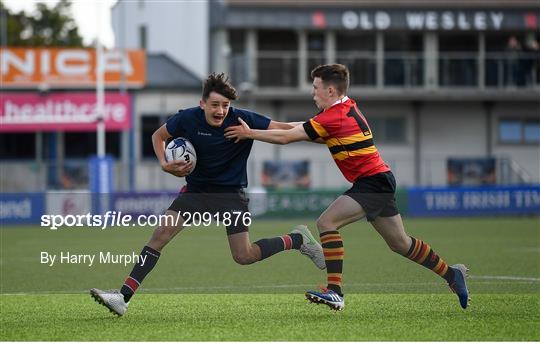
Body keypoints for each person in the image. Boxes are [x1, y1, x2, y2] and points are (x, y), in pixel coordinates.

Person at [224, 64, 470, 311]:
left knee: (326, 223)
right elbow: (300, 128)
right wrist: (266, 126)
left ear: (330, 90)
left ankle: (335, 291)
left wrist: (249, 133)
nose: (313, 93)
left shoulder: (334, 116)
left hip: (372, 183)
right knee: (400, 243)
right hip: (379, 179)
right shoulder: (345, 107)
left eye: (315, 88)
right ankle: (451, 275)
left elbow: (288, 138)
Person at [90, 73, 325, 316]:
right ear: (203, 104)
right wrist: (164, 164)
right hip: (196, 191)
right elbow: (158, 136)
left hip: (231, 195)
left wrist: (323, 132)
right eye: (215, 105)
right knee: (160, 235)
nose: (221, 111)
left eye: (225, 105)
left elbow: (285, 128)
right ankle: (122, 298)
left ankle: (297, 240)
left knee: (244, 256)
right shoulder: (187, 118)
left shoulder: (242, 119)